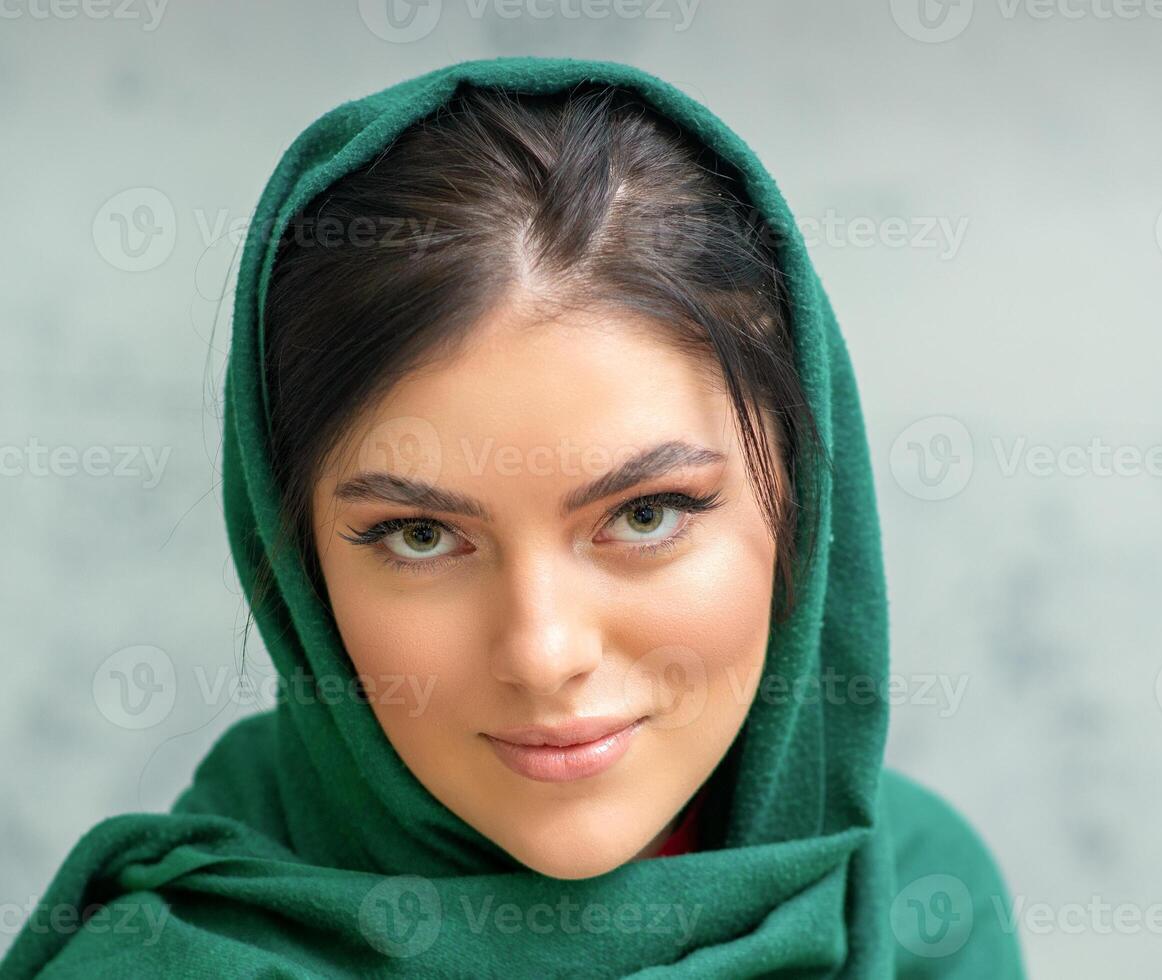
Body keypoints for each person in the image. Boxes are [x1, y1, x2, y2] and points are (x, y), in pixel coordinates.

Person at [1, 57, 1025, 978]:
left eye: (648, 512)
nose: (542, 653)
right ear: (301, 563)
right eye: (421, 534)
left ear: (801, 497)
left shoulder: (917, 900)